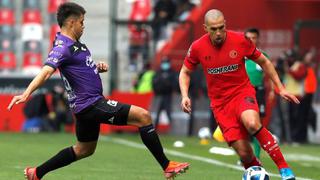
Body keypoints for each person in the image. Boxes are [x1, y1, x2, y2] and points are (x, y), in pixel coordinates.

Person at [7, 2, 189, 180]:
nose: (83, 26)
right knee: (143, 116)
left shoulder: (75, 45)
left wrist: (95, 68)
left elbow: (76, 69)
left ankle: (36, 173)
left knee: (84, 149)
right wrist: (26, 93)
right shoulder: (62, 47)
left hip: (84, 106)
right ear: (71, 22)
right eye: (81, 22)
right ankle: (167, 166)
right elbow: (46, 72)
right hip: (91, 104)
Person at [179, 9, 299, 180]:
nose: (219, 33)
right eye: (214, 29)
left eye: (221, 27)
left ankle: (284, 168)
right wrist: (185, 95)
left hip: (242, 92)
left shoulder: (240, 40)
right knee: (244, 153)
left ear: (225, 24)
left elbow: (264, 61)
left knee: (252, 123)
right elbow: (185, 72)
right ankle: (256, 170)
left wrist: (280, 87)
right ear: (205, 28)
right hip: (220, 104)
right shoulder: (197, 47)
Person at [244, 27, 268, 159]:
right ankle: (245, 155)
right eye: (249, 38)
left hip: (258, 92)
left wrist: (273, 90)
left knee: (257, 125)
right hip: (243, 93)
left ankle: (256, 157)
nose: (251, 40)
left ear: (258, 39)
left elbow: (270, 73)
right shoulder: (239, 55)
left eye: (254, 38)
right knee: (243, 125)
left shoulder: (262, 56)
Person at [152, 57, 177, 129]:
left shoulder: (172, 73)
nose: (165, 65)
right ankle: (153, 128)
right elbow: (154, 83)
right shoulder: (158, 72)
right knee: (156, 113)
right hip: (158, 96)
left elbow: (174, 84)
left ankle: (173, 128)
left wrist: (168, 85)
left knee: (169, 112)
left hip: (168, 96)